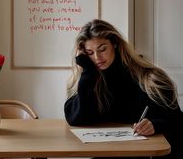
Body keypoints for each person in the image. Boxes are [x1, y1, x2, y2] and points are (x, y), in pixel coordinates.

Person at [64, 19, 183, 158]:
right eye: (90, 52)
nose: (97, 57)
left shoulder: (151, 79)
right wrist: (88, 72)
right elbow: (75, 119)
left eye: (102, 49)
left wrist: (156, 125)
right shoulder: (88, 80)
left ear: (114, 43)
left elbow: (178, 122)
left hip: (146, 155)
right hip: (106, 154)